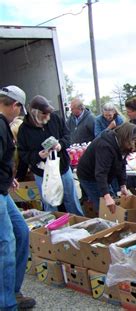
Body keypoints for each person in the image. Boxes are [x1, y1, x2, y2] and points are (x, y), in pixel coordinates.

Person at [0, 85, 36, 310]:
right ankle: (7, 304)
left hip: (3, 189)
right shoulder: (1, 124)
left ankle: (13, 291)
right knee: (6, 244)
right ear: (15, 105)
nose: (18, 116)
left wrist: (7, 178)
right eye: (19, 111)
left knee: (21, 232)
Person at [17, 95, 84, 216]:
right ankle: (52, 230)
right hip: (42, 173)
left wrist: (60, 145)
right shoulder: (24, 129)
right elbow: (22, 153)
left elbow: (67, 136)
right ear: (35, 113)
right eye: (44, 115)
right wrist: (38, 155)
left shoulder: (54, 118)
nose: (47, 117)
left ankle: (81, 225)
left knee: (72, 200)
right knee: (49, 204)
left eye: (48, 114)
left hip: (62, 167)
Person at [77, 123, 136, 212]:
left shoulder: (122, 145)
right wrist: (106, 196)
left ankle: (112, 218)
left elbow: (122, 164)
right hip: (89, 175)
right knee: (103, 205)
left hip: (103, 174)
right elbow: (101, 173)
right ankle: (104, 220)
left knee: (112, 200)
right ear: (125, 137)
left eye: (135, 141)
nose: (133, 144)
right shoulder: (105, 146)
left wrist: (123, 185)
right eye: (132, 140)